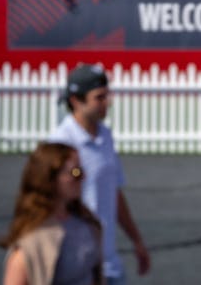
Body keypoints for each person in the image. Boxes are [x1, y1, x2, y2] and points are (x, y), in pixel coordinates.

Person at [49, 64, 150, 285]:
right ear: (76, 101)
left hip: (110, 264)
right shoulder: (60, 142)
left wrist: (137, 240)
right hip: (78, 268)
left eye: (107, 95)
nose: (108, 103)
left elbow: (113, 191)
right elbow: (50, 203)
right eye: (99, 97)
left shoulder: (105, 136)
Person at [0, 142, 103, 285]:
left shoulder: (86, 222)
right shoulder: (31, 244)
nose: (83, 177)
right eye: (76, 172)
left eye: (82, 170)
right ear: (50, 179)